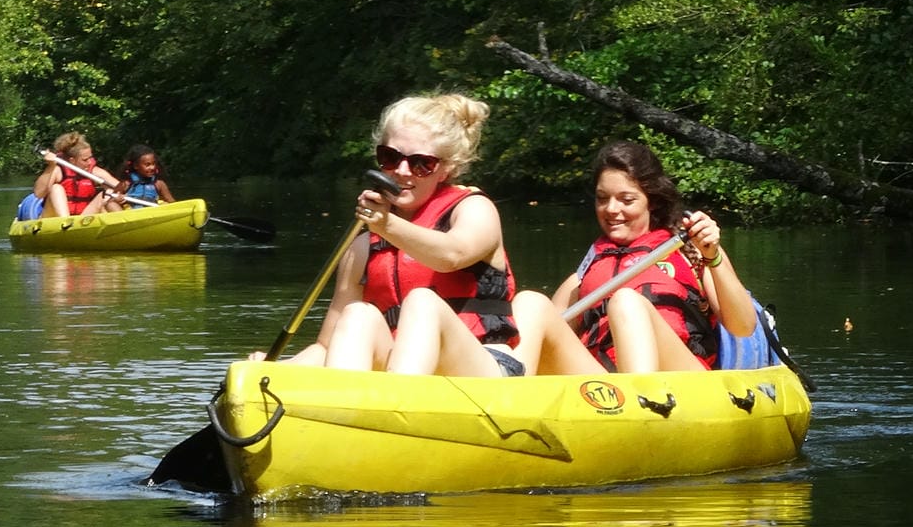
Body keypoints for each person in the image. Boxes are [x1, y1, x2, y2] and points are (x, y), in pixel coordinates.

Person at [273, 93, 548, 377]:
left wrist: (386, 225)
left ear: (446, 168)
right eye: (390, 158)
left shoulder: (475, 209)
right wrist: (274, 372)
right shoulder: (363, 245)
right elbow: (326, 346)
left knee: (422, 301)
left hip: (486, 367)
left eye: (421, 163)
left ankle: (395, 402)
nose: (402, 172)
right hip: (406, 369)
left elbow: (452, 255)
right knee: (357, 315)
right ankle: (346, 409)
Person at [521, 140, 757, 374]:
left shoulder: (694, 251)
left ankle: (639, 397)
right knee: (531, 303)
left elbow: (743, 327)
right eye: (603, 198)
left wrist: (713, 257)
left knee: (626, 301)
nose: (611, 209)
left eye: (626, 200)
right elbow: (551, 336)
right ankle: (501, 394)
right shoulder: (585, 274)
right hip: (607, 391)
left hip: (682, 380)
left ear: (652, 201)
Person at [43, 132, 122, 218]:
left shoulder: (95, 171)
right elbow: (39, 193)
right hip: (56, 218)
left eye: (90, 157)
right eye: (85, 160)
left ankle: (126, 224)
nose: (89, 162)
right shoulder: (58, 170)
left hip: (82, 218)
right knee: (56, 188)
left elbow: (120, 188)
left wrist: (120, 195)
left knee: (109, 192)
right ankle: (66, 221)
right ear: (72, 160)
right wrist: (50, 167)